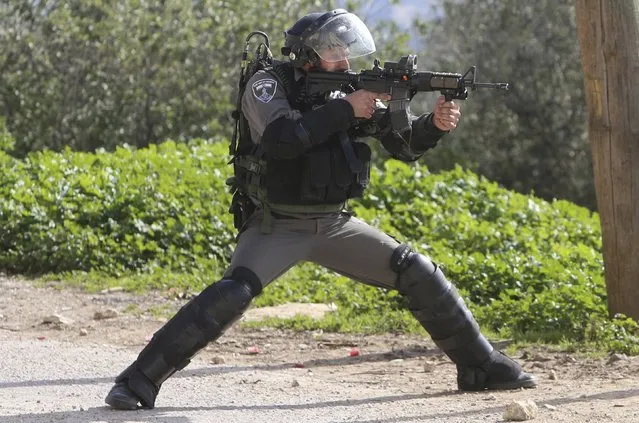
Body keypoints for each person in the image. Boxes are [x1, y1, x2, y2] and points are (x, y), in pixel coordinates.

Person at [105, 9, 536, 410]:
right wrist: (345, 108)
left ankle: (480, 365)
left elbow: (400, 144)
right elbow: (282, 139)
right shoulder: (268, 84)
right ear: (309, 55)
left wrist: (434, 126)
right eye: (334, 50)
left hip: (333, 223)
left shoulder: (348, 87)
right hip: (277, 224)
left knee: (416, 270)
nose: (344, 58)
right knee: (233, 293)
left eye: (346, 49)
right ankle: (136, 381)